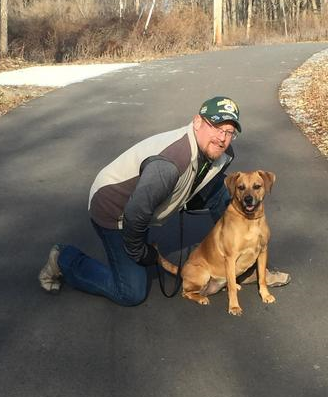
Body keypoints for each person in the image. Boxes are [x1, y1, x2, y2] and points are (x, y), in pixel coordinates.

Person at [38, 96, 290, 306]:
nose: (222, 138)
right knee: (131, 292)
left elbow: (208, 186)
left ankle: (241, 262)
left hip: (147, 199)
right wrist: (142, 252)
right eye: (216, 127)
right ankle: (64, 259)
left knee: (224, 192)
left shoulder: (220, 153)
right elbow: (135, 213)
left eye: (229, 132)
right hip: (115, 208)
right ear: (197, 122)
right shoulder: (169, 164)